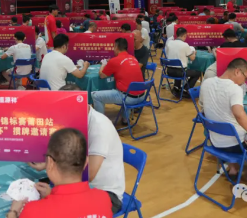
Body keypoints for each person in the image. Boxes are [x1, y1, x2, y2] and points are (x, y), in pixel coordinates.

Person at [200, 58, 247, 198]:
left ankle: (233, 170)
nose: (244, 81)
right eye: (245, 77)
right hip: (234, 144)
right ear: (237, 71)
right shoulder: (234, 89)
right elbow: (238, 113)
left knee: (230, 128)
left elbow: (203, 106)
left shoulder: (206, 83)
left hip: (214, 141)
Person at [9, 128, 113, 218]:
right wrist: (51, 196)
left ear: (50, 163)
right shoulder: (103, 198)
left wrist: (13, 213)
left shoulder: (33, 211)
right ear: (86, 162)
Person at [56, 84, 124, 213]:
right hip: (82, 184)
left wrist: (57, 179)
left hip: (106, 194)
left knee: (58, 208)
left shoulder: (100, 127)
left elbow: (89, 174)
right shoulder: (76, 120)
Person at [92, 37, 146, 123]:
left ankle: (100, 123)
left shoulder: (114, 60)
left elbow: (102, 75)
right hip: (142, 96)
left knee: (96, 96)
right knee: (126, 88)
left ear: (116, 47)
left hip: (128, 98)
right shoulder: (133, 58)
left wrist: (103, 64)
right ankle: (125, 119)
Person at [165, 27, 199, 97]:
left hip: (169, 71)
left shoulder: (169, 43)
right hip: (180, 72)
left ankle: (176, 87)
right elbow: (192, 58)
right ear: (184, 35)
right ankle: (185, 90)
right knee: (197, 73)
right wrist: (194, 53)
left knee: (179, 65)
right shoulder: (185, 45)